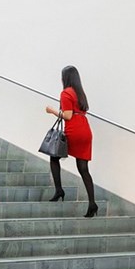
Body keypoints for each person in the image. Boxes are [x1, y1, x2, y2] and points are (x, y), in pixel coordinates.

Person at [45, 65, 97, 218]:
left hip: (74, 130)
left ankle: (59, 190)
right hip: (85, 130)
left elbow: (67, 115)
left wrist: (52, 110)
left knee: (54, 156)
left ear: (65, 78)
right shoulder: (80, 93)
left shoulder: (66, 92)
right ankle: (92, 204)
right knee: (83, 168)